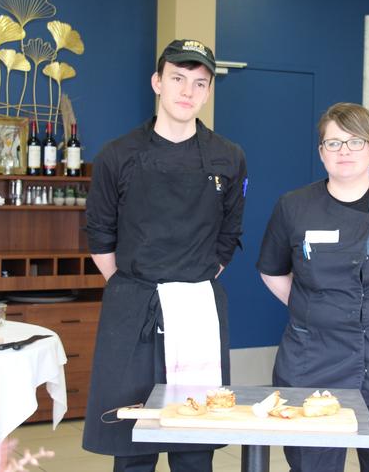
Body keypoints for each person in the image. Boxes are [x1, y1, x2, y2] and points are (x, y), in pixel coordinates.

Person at [83, 39, 247, 472]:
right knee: (133, 440)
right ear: (157, 82)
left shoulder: (228, 158)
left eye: (199, 83)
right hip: (133, 304)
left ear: (208, 92)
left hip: (197, 305)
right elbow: (100, 236)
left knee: (194, 443)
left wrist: (190, 281)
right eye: (177, 78)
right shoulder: (117, 155)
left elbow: (229, 233)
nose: (187, 91)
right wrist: (136, 285)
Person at [257, 103, 369, 472]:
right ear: (321, 152)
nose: (344, 152)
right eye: (334, 143)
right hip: (313, 364)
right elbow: (272, 271)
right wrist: (311, 311)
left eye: (355, 142)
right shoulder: (294, 207)